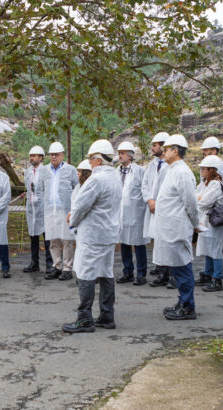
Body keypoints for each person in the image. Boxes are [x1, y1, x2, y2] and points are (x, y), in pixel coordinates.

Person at [63, 140, 123, 333]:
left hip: (93, 234)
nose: (89, 163)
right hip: (108, 233)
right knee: (106, 272)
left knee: (85, 273)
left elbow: (81, 206)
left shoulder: (96, 180)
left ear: (98, 160)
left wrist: (73, 220)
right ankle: (107, 315)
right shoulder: (114, 177)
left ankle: (85, 318)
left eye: (91, 159)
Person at [150, 134, 198, 320]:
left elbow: (191, 203)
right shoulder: (172, 169)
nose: (164, 151)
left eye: (167, 148)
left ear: (175, 151)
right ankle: (183, 301)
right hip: (169, 228)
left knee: (182, 266)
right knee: (177, 268)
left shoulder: (182, 172)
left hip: (177, 227)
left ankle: (188, 307)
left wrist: (195, 224)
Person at [41, 142, 80, 281]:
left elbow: (77, 188)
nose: (53, 157)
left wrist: (74, 208)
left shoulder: (71, 170)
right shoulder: (44, 170)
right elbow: (41, 189)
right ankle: (56, 266)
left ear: (62, 155)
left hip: (65, 210)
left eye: (56, 154)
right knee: (53, 239)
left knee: (67, 240)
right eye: (51, 155)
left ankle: (67, 268)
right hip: (50, 209)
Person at [200, 137, 223, 279]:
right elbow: (203, 187)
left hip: (221, 209)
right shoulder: (206, 167)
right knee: (212, 243)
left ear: (214, 151)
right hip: (210, 208)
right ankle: (210, 272)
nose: (204, 154)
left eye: (206, 151)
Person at [195, 155, 223, 292]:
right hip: (210, 222)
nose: (201, 170)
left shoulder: (215, 184)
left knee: (215, 250)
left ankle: (217, 279)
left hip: (217, 222)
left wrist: (196, 198)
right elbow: (198, 196)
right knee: (209, 249)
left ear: (212, 170)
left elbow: (204, 202)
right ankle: (208, 274)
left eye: (204, 168)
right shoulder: (206, 183)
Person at [143, 132, 174, 287]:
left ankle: (170, 273)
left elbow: (169, 190)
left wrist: (158, 203)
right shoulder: (152, 165)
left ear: (162, 146)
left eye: (154, 145)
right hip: (153, 207)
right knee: (158, 241)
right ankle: (162, 272)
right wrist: (149, 200)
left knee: (168, 241)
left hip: (165, 208)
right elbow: (145, 184)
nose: (152, 148)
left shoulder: (171, 166)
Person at [116, 141, 149, 286]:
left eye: (122, 153)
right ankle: (127, 271)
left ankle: (141, 273)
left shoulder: (140, 171)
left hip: (136, 212)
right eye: (119, 153)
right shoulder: (116, 171)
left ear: (130, 155)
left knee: (138, 243)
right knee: (124, 243)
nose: (120, 156)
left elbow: (146, 190)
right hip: (121, 213)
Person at [23, 145, 52, 273]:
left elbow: (47, 190)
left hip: (42, 208)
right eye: (31, 156)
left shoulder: (46, 171)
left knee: (47, 237)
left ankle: (50, 264)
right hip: (31, 208)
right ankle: (34, 263)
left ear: (41, 158)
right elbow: (28, 187)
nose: (32, 158)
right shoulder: (28, 172)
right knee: (33, 236)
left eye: (35, 156)